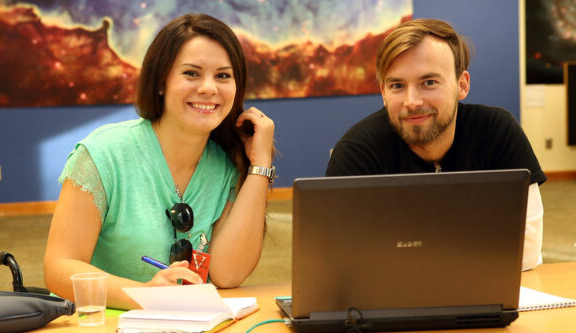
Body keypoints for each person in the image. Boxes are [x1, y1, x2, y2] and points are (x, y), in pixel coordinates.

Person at [44, 14, 276, 310]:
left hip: (182, 332)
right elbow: (59, 267)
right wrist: (144, 295)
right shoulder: (104, 153)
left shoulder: (226, 167)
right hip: (98, 331)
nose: (209, 88)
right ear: (161, 82)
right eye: (192, 73)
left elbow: (228, 274)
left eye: (223, 75)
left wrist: (260, 165)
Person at [326, 18, 546, 271]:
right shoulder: (358, 152)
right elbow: (342, 262)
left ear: (462, 85)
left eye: (428, 82)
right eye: (397, 85)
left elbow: (526, 248)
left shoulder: (497, 131)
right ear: (383, 94)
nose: (412, 101)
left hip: (487, 298)